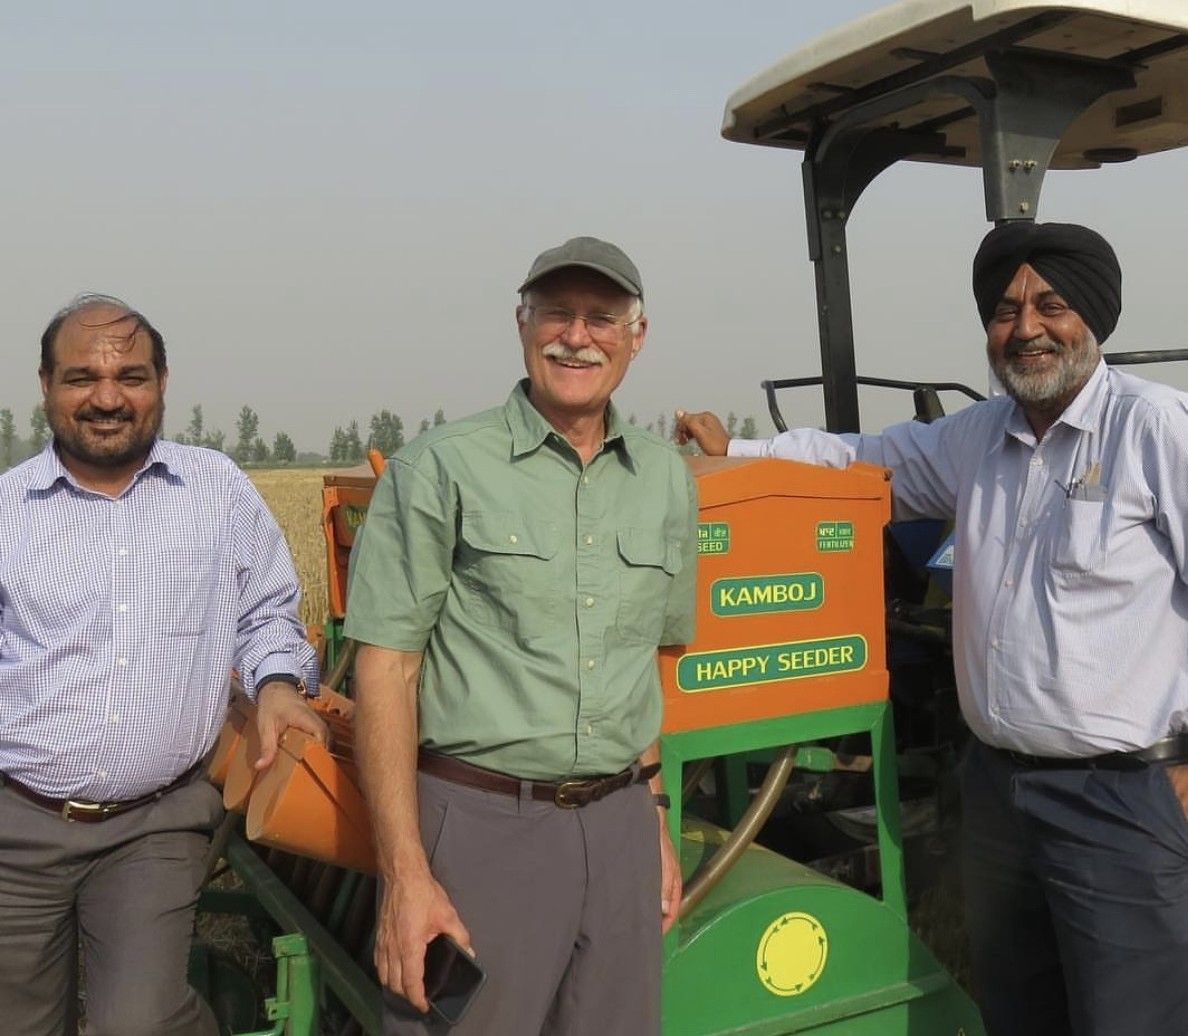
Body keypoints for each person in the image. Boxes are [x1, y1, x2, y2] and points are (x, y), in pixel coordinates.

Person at [676, 222, 1188, 1036]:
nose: (1026, 328)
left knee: (1131, 1016)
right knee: (1019, 1008)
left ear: (1092, 316)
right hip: (995, 791)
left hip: (1120, 799)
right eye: (1004, 310)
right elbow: (858, 457)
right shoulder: (977, 438)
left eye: (1050, 305)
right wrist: (736, 448)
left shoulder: (1157, 430)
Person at [346, 236, 697, 1035]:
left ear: (636, 336)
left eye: (602, 318)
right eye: (557, 314)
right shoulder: (440, 467)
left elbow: (642, 666)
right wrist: (404, 875)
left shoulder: (665, 479)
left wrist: (654, 824)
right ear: (521, 324)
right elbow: (386, 672)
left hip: (617, 832)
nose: (578, 336)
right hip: (480, 828)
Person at [0, 294, 326, 1035]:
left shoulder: (214, 491)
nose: (108, 398)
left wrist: (276, 682)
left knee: (136, 1024)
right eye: (82, 377)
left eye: (132, 377)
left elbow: (267, 610)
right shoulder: (6, 510)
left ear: (164, 382)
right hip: (13, 824)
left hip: (153, 823)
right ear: (45, 384)